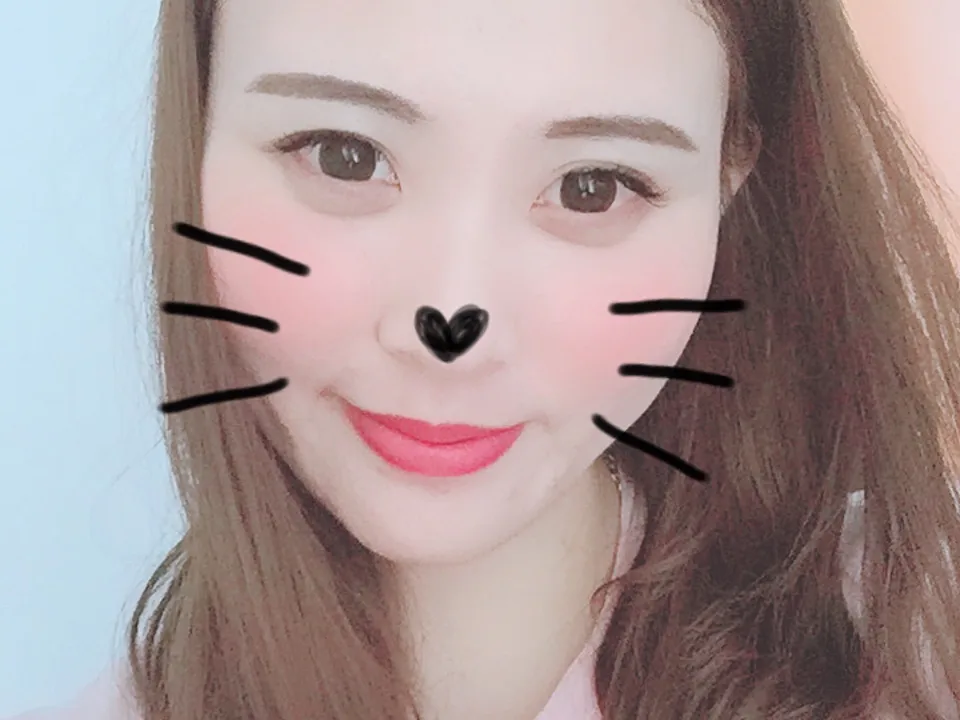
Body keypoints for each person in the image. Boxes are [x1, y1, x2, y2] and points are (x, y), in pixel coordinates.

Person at [11, 0, 960, 718]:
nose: (451, 326)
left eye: (592, 188)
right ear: (199, 137)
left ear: (727, 183)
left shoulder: (918, 638)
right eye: (344, 156)